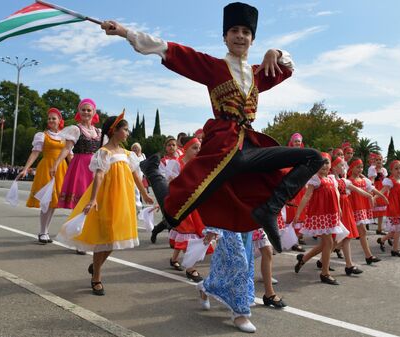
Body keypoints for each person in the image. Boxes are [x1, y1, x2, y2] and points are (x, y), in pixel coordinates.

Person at [100, 2, 323, 252]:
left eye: (246, 32)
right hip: (223, 148)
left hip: (249, 148)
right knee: (175, 215)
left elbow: (289, 67)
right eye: (234, 31)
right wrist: (124, 32)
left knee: (312, 158)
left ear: (252, 39)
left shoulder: (258, 74)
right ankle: (152, 170)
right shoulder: (214, 67)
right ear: (225, 38)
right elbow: (169, 50)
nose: (240, 35)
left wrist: (276, 51)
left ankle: (269, 209)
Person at [57, 112, 153, 296]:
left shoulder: (127, 153)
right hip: (106, 197)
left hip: (122, 199)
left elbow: (135, 175)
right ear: (114, 131)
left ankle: (96, 265)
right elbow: (99, 175)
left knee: (114, 238)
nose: (128, 132)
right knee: (104, 238)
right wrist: (93, 199)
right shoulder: (104, 152)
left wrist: (144, 194)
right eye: (125, 129)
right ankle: (96, 278)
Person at [294, 153, 349, 285]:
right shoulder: (315, 178)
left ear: (330, 165)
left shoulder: (331, 178)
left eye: (327, 162)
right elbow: (307, 196)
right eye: (321, 163)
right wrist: (298, 214)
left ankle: (304, 259)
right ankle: (324, 273)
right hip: (321, 215)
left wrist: (339, 208)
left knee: (326, 243)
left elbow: (335, 192)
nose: (324, 165)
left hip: (332, 213)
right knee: (329, 242)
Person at [17, 108, 69, 244]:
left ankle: (45, 231)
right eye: (49, 118)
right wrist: (26, 169)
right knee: (46, 202)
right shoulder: (42, 135)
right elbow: (35, 153)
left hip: (61, 169)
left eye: (54, 118)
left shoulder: (65, 137)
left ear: (60, 121)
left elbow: (70, 155)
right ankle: (42, 232)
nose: (51, 120)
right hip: (46, 167)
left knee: (53, 203)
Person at [166, 137, 212, 282]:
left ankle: (174, 260)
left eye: (199, 148)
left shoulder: (197, 164)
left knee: (190, 233)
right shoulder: (176, 164)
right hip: (182, 205)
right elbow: (171, 184)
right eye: (195, 148)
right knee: (188, 234)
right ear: (186, 149)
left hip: (195, 205)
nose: (198, 151)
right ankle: (191, 269)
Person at [51, 99, 102, 210]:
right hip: (81, 166)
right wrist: (56, 164)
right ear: (79, 111)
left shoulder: (99, 132)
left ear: (94, 112)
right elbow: (67, 148)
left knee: (95, 202)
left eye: (89, 110)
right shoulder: (75, 129)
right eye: (83, 110)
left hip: (96, 167)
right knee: (81, 201)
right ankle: (79, 226)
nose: (86, 112)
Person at [347, 158, 386, 264]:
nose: (360, 169)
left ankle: (369, 256)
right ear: (352, 168)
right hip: (353, 210)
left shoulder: (364, 180)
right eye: (357, 167)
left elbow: (373, 189)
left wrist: (383, 197)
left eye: (361, 167)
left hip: (361, 209)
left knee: (360, 232)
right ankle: (324, 259)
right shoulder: (349, 181)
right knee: (347, 236)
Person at [376, 160, 400, 257]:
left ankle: (382, 240)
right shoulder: (390, 181)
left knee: (395, 230)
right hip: (395, 207)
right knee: (398, 229)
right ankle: (395, 249)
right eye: (396, 168)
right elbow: (382, 191)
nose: (398, 170)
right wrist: (374, 198)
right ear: (391, 171)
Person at [368, 153, 388, 235]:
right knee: (373, 209)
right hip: (376, 190)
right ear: (374, 161)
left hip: (383, 190)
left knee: (381, 211)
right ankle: (365, 224)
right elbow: (372, 181)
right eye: (377, 160)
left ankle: (379, 228)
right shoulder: (373, 170)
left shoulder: (384, 170)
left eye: (380, 159)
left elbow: (386, 181)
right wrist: (372, 191)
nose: (379, 161)